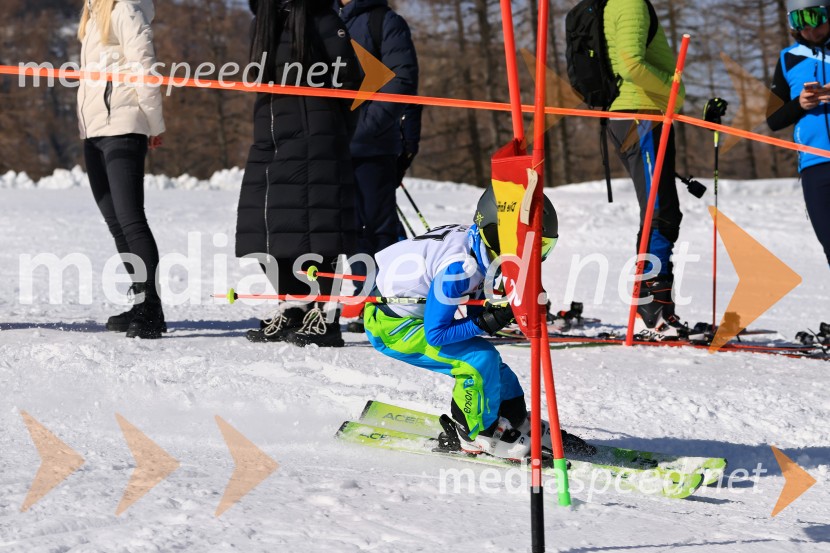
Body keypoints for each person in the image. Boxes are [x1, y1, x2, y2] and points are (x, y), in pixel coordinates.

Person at [364, 188, 592, 459]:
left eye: (541, 248)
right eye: (528, 246)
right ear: (498, 235)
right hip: (391, 327)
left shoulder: (481, 248)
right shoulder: (459, 267)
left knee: (497, 371)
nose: (532, 257)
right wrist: (487, 321)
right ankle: (476, 434)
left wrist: (494, 312)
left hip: (415, 315)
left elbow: (472, 303)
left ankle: (516, 421)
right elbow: (436, 334)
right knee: (478, 361)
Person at [238, 0, 362, 347]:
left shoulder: (322, 18)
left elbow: (352, 79)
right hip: (270, 138)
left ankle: (325, 317)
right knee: (263, 227)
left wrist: (328, 125)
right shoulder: (263, 22)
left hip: (316, 138)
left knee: (319, 229)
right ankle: (294, 305)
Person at [78, 0, 166, 339]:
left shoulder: (125, 9)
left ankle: (152, 310)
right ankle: (140, 300)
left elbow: (145, 66)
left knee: (131, 219)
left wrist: (153, 124)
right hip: (94, 130)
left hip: (123, 125)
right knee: (115, 221)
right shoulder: (92, 16)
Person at [604, 0, 687, 338]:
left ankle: (655, 304)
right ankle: (653, 307)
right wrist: (673, 90)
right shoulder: (630, 3)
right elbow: (630, 64)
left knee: (660, 211)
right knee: (661, 213)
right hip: (640, 114)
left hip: (640, 115)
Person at [336, 0, 420, 268]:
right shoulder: (323, 20)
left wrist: (365, 127)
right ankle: (365, 289)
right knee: (347, 228)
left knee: (377, 229)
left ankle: (386, 291)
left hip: (372, 147)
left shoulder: (385, 21)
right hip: (331, 145)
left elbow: (402, 82)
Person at [767, 0, 830, 271]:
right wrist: (799, 104)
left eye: (816, 18)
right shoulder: (788, 58)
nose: (810, 29)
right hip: (815, 165)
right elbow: (773, 119)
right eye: (800, 22)